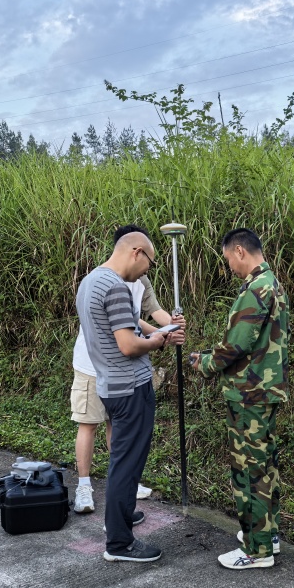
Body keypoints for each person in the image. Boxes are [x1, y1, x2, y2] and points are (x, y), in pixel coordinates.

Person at [77, 231, 185, 563]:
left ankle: (122, 516)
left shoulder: (89, 281)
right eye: (149, 264)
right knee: (126, 466)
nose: (147, 272)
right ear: (137, 252)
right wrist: (159, 341)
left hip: (111, 385)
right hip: (129, 387)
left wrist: (154, 334)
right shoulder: (115, 287)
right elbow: (128, 345)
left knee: (123, 463)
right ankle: (120, 543)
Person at [190, 228, 289, 570]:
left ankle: (257, 550)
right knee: (264, 467)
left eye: (228, 259)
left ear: (239, 251)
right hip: (262, 391)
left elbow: (236, 345)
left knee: (249, 470)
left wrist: (203, 363)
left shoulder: (256, 289)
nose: (229, 266)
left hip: (249, 394)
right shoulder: (271, 283)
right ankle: (267, 535)